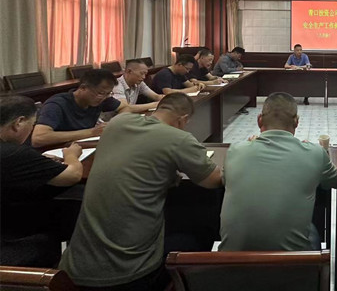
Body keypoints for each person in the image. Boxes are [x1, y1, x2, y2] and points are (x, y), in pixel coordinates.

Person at [59, 93, 222, 291]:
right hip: (131, 275)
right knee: (201, 224)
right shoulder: (179, 138)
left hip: (74, 269)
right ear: (183, 119)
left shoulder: (117, 123)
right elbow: (213, 180)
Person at [219, 92, 337, 251]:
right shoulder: (315, 153)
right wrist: (319, 154)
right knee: (311, 230)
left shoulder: (235, 151)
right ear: (296, 122)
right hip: (291, 264)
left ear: (259, 120)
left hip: (231, 263)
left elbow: (225, 181)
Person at [0, 95, 83, 267]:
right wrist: (71, 155)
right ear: (19, 123)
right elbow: (72, 175)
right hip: (7, 234)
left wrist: (37, 162)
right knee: (76, 205)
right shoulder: (14, 153)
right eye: (32, 125)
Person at [31, 69, 130, 147]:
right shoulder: (57, 104)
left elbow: (126, 108)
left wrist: (113, 122)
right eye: (101, 93)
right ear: (83, 88)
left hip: (79, 147)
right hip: (55, 152)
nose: (104, 97)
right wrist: (91, 132)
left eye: (108, 93)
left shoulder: (102, 99)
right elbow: (38, 138)